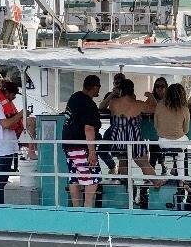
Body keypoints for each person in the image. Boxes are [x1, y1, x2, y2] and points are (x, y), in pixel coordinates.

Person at [107, 78, 162, 187]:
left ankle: (128, 187)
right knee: (144, 164)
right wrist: (151, 96)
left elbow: (102, 106)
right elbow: (157, 109)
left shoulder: (113, 103)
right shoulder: (138, 104)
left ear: (120, 90)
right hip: (134, 138)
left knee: (123, 162)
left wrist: (114, 94)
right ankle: (157, 182)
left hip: (118, 138)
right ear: (132, 90)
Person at [62, 75, 103, 207]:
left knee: (75, 177)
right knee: (93, 178)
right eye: (99, 87)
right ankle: (87, 207)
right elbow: (89, 128)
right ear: (94, 86)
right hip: (80, 146)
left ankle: (76, 209)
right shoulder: (88, 104)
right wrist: (92, 151)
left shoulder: (75, 97)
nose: (99, 90)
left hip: (68, 144)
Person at [0, 79, 23, 204]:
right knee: (0, 181)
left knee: (0, 179)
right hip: (2, 149)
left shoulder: (2, 105)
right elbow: (6, 124)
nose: (13, 98)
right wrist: (21, 114)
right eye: (13, 94)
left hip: (7, 148)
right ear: (6, 93)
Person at [154, 83, 190, 185]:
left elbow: (156, 126)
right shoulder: (184, 109)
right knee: (181, 154)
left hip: (163, 142)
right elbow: (186, 130)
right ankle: (181, 180)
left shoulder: (159, 106)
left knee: (179, 152)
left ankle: (173, 172)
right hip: (179, 142)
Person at [97, 72, 126, 173]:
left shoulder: (129, 95)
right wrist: (112, 95)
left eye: (120, 82)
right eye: (116, 82)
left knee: (122, 155)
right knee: (102, 150)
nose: (118, 84)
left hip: (125, 129)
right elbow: (101, 107)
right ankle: (112, 166)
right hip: (113, 127)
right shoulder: (110, 95)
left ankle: (124, 178)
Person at [146, 77, 169, 174]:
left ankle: (157, 167)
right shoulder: (150, 99)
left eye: (162, 86)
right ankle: (160, 166)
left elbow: (161, 110)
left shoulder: (169, 100)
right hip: (153, 127)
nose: (160, 88)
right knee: (153, 146)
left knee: (157, 146)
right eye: (157, 86)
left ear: (166, 88)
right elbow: (145, 109)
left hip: (166, 128)